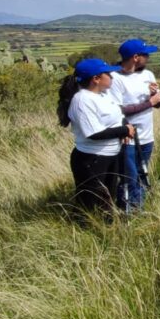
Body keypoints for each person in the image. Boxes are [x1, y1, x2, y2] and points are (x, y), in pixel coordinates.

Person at [57, 58, 135, 212]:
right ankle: (85, 231)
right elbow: (93, 133)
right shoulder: (82, 100)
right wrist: (124, 131)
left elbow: (118, 115)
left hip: (110, 155)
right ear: (96, 79)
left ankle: (105, 229)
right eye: (108, 74)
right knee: (91, 204)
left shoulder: (103, 95)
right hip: (92, 159)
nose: (112, 77)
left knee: (106, 201)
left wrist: (125, 124)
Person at [109, 39, 160, 211]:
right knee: (128, 177)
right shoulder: (114, 78)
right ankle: (131, 211)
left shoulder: (147, 75)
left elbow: (158, 104)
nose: (148, 58)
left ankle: (136, 208)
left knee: (141, 173)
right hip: (127, 137)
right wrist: (150, 102)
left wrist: (155, 97)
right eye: (145, 54)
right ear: (135, 57)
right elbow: (118, 110)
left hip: (147, 136)